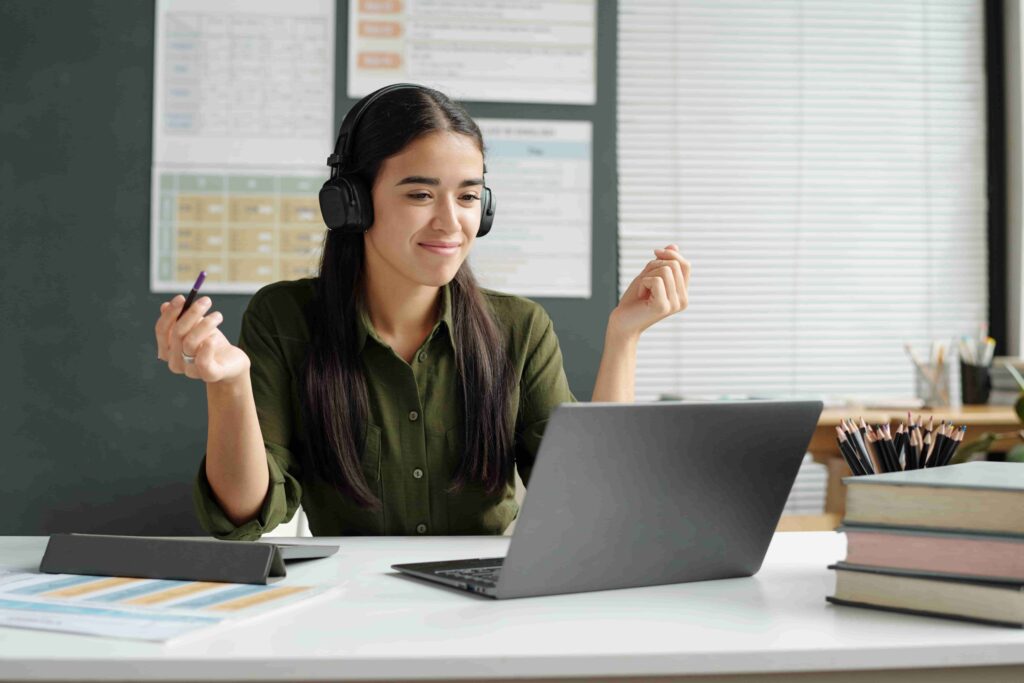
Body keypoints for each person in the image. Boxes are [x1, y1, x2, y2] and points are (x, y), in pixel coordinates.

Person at [154, 84, 690, 540]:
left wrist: (624, 338)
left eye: (467, 197)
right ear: (352, 202)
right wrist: (229, 385)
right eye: (419, 195)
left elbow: (590, 503)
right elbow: (246, 514)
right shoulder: (287, 316)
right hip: (351, 610)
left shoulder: (519, 328)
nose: (450, 223)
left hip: (485, 607)